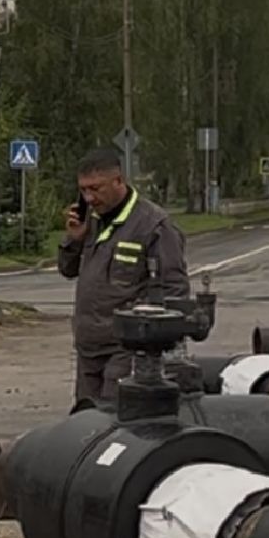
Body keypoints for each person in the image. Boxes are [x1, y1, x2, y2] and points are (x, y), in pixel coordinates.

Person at [58, 147, 189, 406]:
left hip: (126, 349)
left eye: (96, 188)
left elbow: (174, 290)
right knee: (86, 424)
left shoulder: (152, 225)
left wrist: (150, 342)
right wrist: (73, 240)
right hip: (88, 349)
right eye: (83, 190)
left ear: (118, 181)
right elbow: (67, 270)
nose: (89, 198)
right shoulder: (90, 221)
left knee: (113, 420)